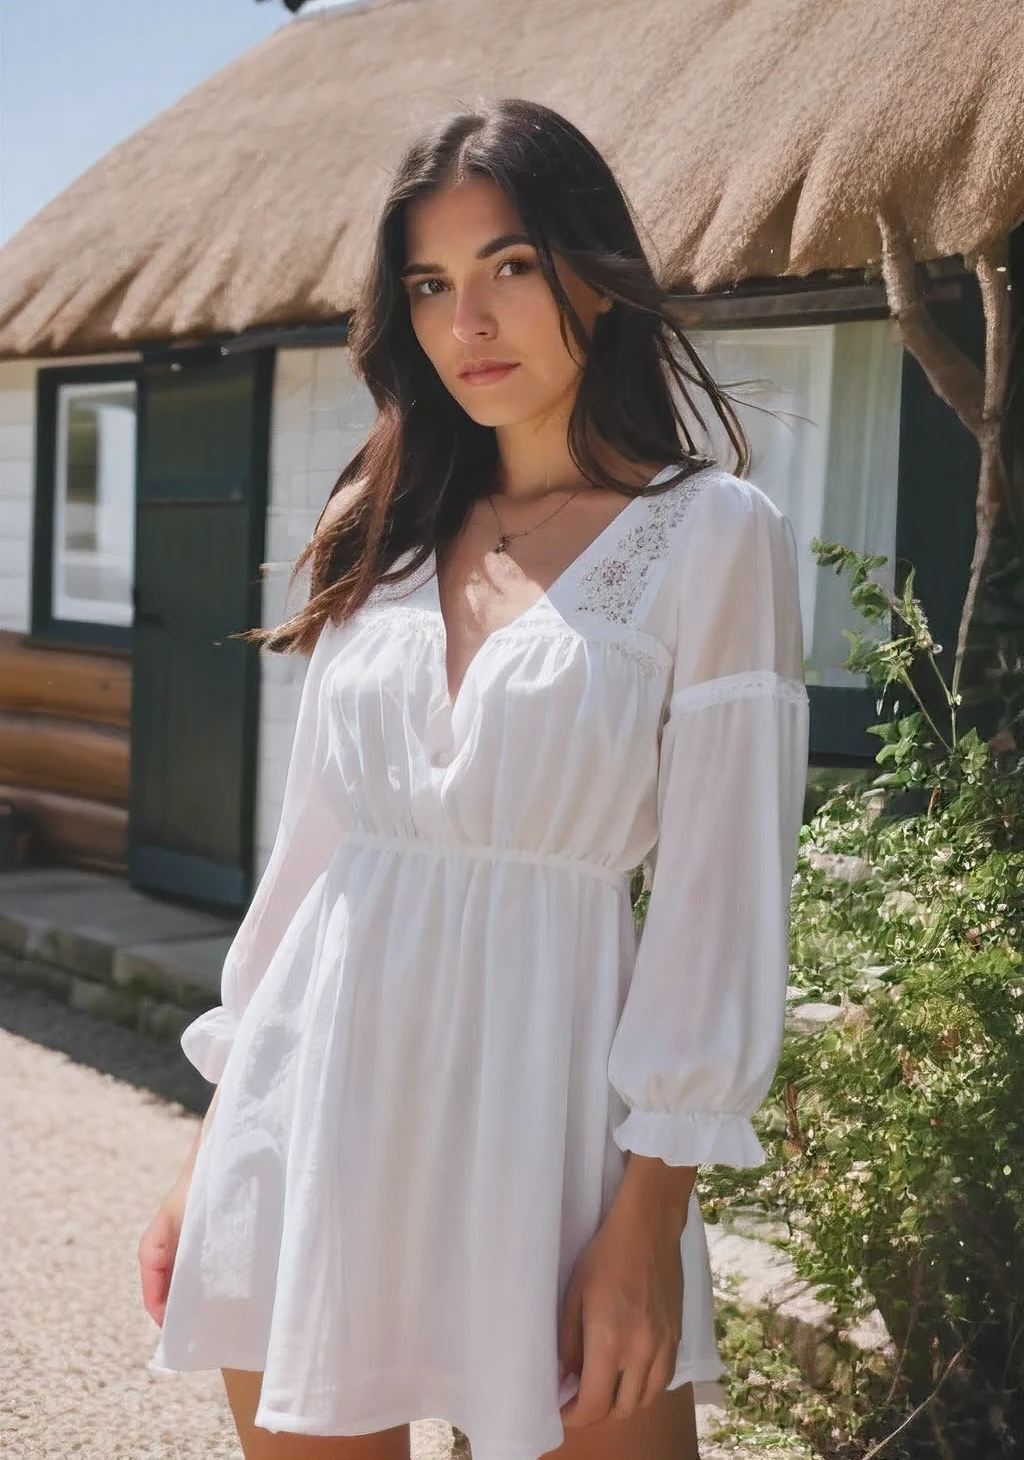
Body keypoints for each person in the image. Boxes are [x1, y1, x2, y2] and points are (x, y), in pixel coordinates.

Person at [139, 97, 810, 1460]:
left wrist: (649, 1216)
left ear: (595, 277)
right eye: (432, 287)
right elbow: (314, 861)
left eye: (509, 267)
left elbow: (719, 897)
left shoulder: (713, 539)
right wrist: (218, 1142)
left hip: (551, 1127)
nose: (470, 323)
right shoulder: (378, 527)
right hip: (312, 1110)